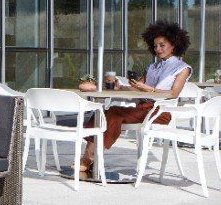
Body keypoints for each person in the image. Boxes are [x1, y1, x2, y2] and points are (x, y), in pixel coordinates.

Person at [79, 20, 192, 179]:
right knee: (103, 112)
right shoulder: (153, 67)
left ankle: (89, 158)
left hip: (160, 112)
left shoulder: (183, 68)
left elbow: (173, 93)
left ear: (173, 45)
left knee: (112, 113)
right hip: (143, 108)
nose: (158, 49)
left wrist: (150, 90)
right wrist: (122, 87)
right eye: (155, 46)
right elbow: (139, 88)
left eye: (162, 45)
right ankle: (90, 156)